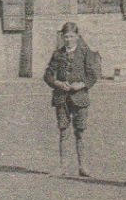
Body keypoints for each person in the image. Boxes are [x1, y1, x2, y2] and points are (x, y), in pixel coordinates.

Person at [43, 22, 101, 177]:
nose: (69, 40)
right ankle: (63, 167)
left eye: (72, 36)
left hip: (80, 97)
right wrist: (57, 83)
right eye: (66, 36)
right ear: (62, 37)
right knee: (63, 131)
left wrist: (81, 85)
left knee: (80, 132)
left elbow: (93, 75)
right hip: (61, 98)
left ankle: (83, 166)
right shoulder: (57, 54)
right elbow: (47, 75)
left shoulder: (85, 53)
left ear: (77, 36)